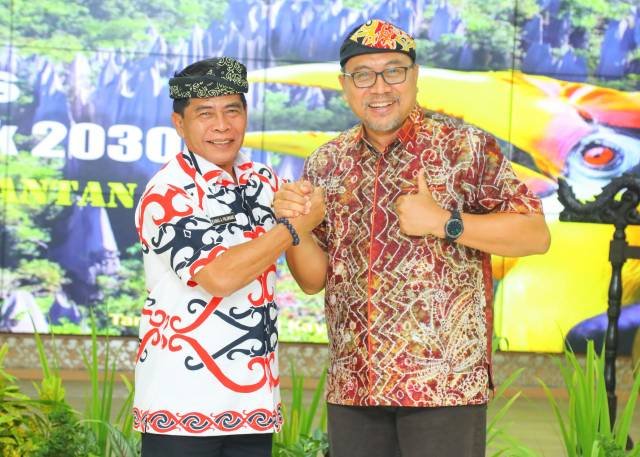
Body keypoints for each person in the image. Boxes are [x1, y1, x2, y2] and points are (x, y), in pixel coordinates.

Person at [273, 19, 551, 457]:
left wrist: (445, 222)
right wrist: (295, 226)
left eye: (394, 71)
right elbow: (312, 280)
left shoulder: (465, 148)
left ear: (415, 76)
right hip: (355, 387)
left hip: (443, 387)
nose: (379, 87)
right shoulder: (327, 162)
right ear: (345, 85)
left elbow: (535, 234)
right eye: (363, 75)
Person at [132, 56, 324, 457]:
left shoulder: (264, 181)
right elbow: (218, 277)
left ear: (246, 115)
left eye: (232, 111)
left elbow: (312, 279)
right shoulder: (167, 192)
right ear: (179, 123)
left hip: (253, 406)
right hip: (182, 404)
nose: (222, 125)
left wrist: (300, 219)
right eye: (205, 114)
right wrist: (290, 229)